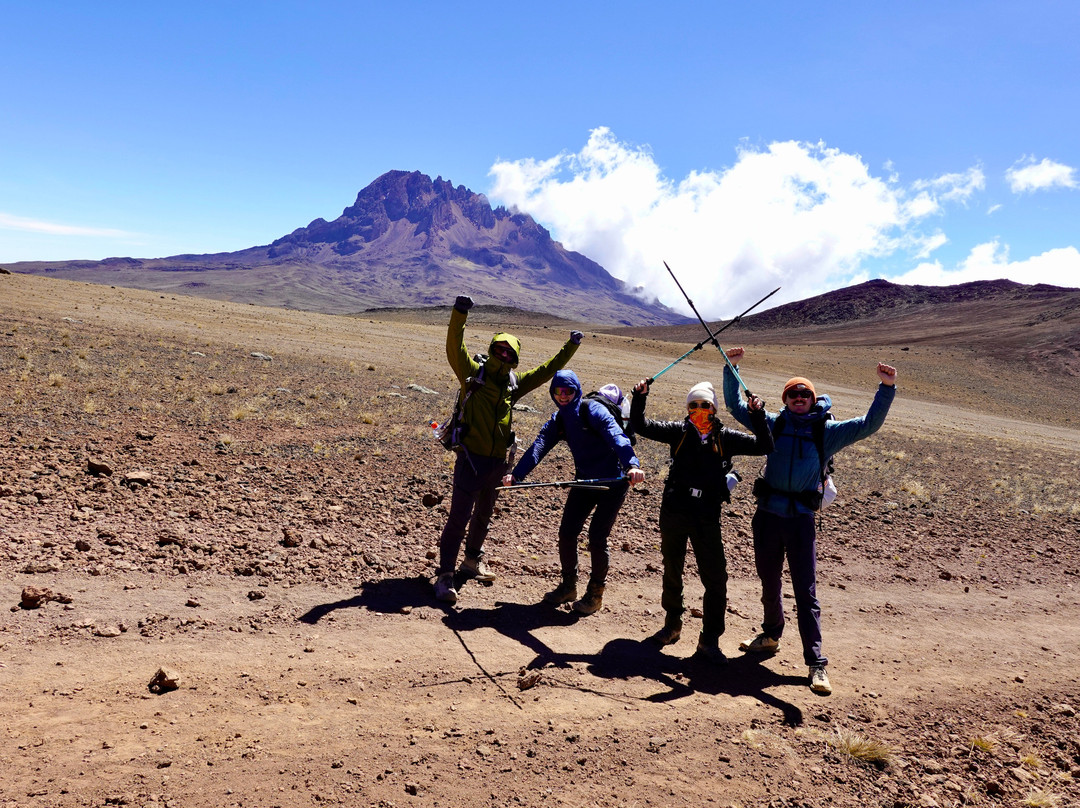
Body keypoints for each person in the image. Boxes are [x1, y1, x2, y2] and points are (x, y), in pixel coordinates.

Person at [722, 347, 897, 694]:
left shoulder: (826, 432)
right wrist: (731, 368)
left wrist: (886, 388)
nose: (799, 398)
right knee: (768, 580)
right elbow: (734, 407)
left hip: (801, 520)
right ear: (785, 399)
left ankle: (816, 663)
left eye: (805, 394)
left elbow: (868, 424)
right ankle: (771, 635)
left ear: (812, 399)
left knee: (806, 591)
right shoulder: (773, 423)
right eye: (792, 393)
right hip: (768, 516)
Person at [434, 294, 582, 604]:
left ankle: (472, 562)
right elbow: (454, 347)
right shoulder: (472, 373)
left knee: (484, 516)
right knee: (459, 518)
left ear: (514, 359)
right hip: (470, 460)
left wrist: (570, 347)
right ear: (491, 351)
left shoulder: (513, 385)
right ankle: (445, 575)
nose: (503, 355)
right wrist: (460, 313)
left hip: (498, 463)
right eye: (499, 349)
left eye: (508, 352)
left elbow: (546, 371)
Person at [629, 378, 773, 664]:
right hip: (675, 509)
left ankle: (709, 640)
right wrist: (640, 397)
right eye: (693, 405)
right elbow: (641, 425)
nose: (699, 410)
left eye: (705, 405)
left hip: (707, 514)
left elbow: (764, 445)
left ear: (714, 409)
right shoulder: (678, 432)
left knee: (716, 578)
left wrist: (757, 414)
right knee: (673, 569)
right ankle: (672, 626)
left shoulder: (726, 437)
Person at [502, 372, 645, 615]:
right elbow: (539, 446)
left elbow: (616, 435)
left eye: (568, 391)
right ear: (553, 394)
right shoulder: (559, 420)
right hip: (585, 480)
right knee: (567, 533)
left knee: (597, 538)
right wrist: (517, 475)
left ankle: (595, 595)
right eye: (558, 392)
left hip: (614, 481)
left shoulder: (593, 411)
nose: (563, 396)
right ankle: (569, 587)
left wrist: (631, 464)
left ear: (577, 390)